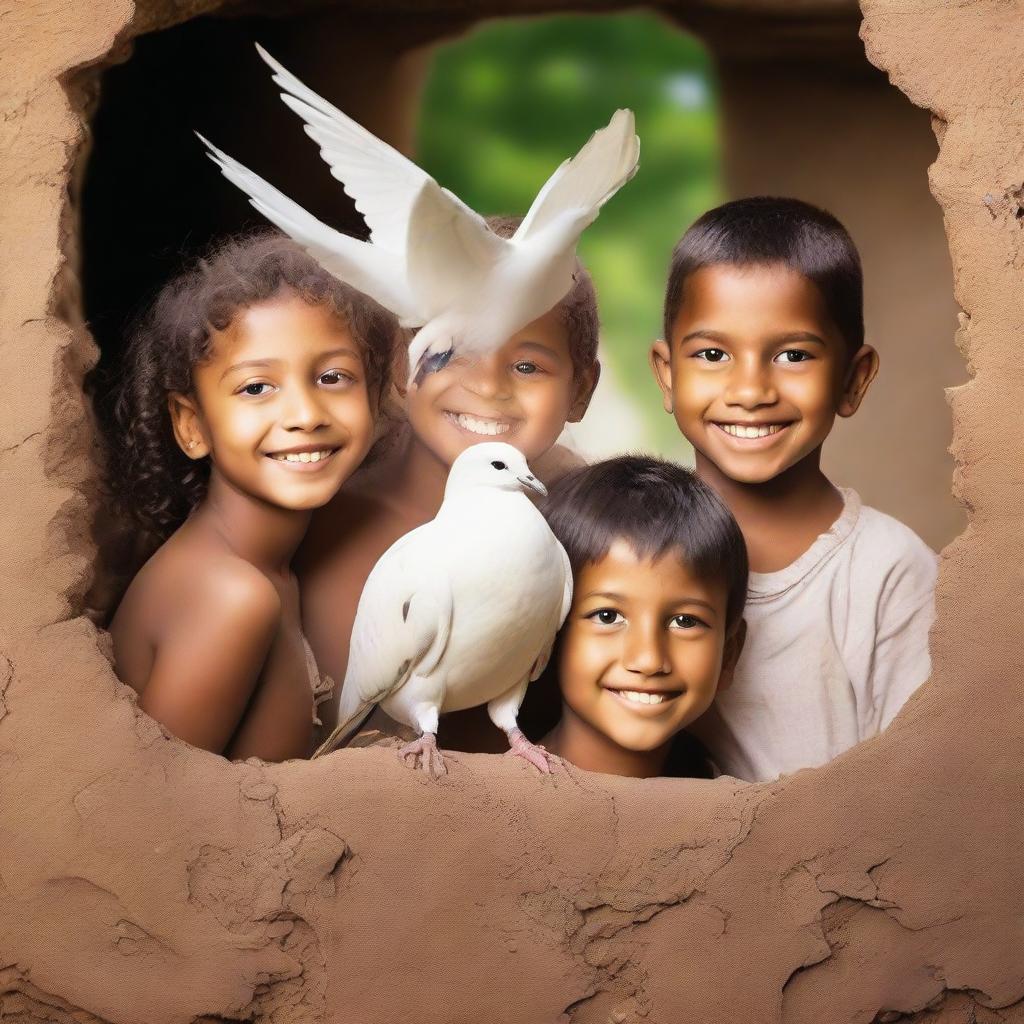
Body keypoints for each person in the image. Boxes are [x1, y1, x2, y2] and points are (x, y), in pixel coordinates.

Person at [649, 196, 938, 782]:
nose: (750, 389)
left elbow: (922, 796)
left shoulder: (891, 573)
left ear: (853, 380)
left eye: (792, 355)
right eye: (712, 354)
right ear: (667, 375)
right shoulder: (625, 546)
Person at [296, 215, 601, 748]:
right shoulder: (316, 520)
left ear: (582, 389)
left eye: (528, 366)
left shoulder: (589, 521)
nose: (486, 385)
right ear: (401, 365)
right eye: (451, 351)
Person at [106, 231, 396, 762]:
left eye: (333, 377)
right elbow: (146, 819)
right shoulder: (231, 596)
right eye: (256, 387)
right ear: (192, 425)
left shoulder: (273, 568)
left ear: (375, 399)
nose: (305, 414)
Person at [521, 456, 747, 779]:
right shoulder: (486, 803)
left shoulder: (736, 812)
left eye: (685, 621)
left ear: (729, 654)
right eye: (608, 616)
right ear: (546, 633)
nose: (649, 659)